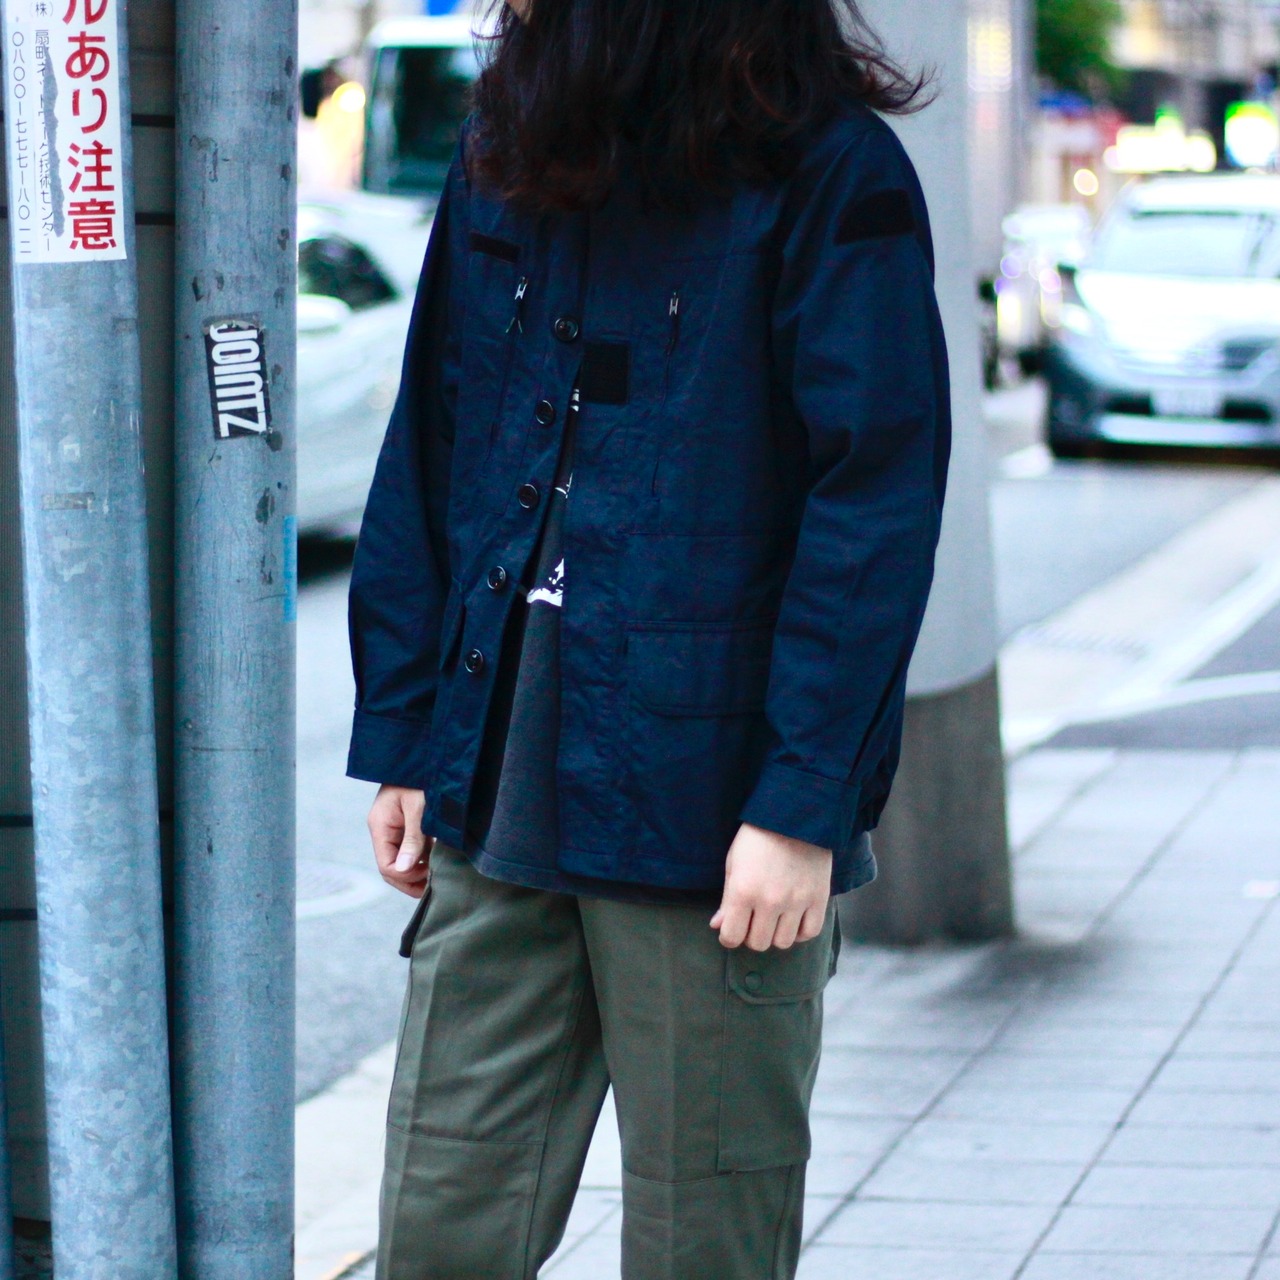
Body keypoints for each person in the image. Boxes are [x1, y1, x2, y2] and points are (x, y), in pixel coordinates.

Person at [346, 0, 949, 1274]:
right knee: (439, 1223)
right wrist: (403, 732)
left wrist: (801, 805)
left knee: (703, 1237)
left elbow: (872, 507)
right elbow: (431, 443)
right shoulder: (508, 145)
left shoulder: (830, 172)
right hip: (493, 778)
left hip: (709, 810)